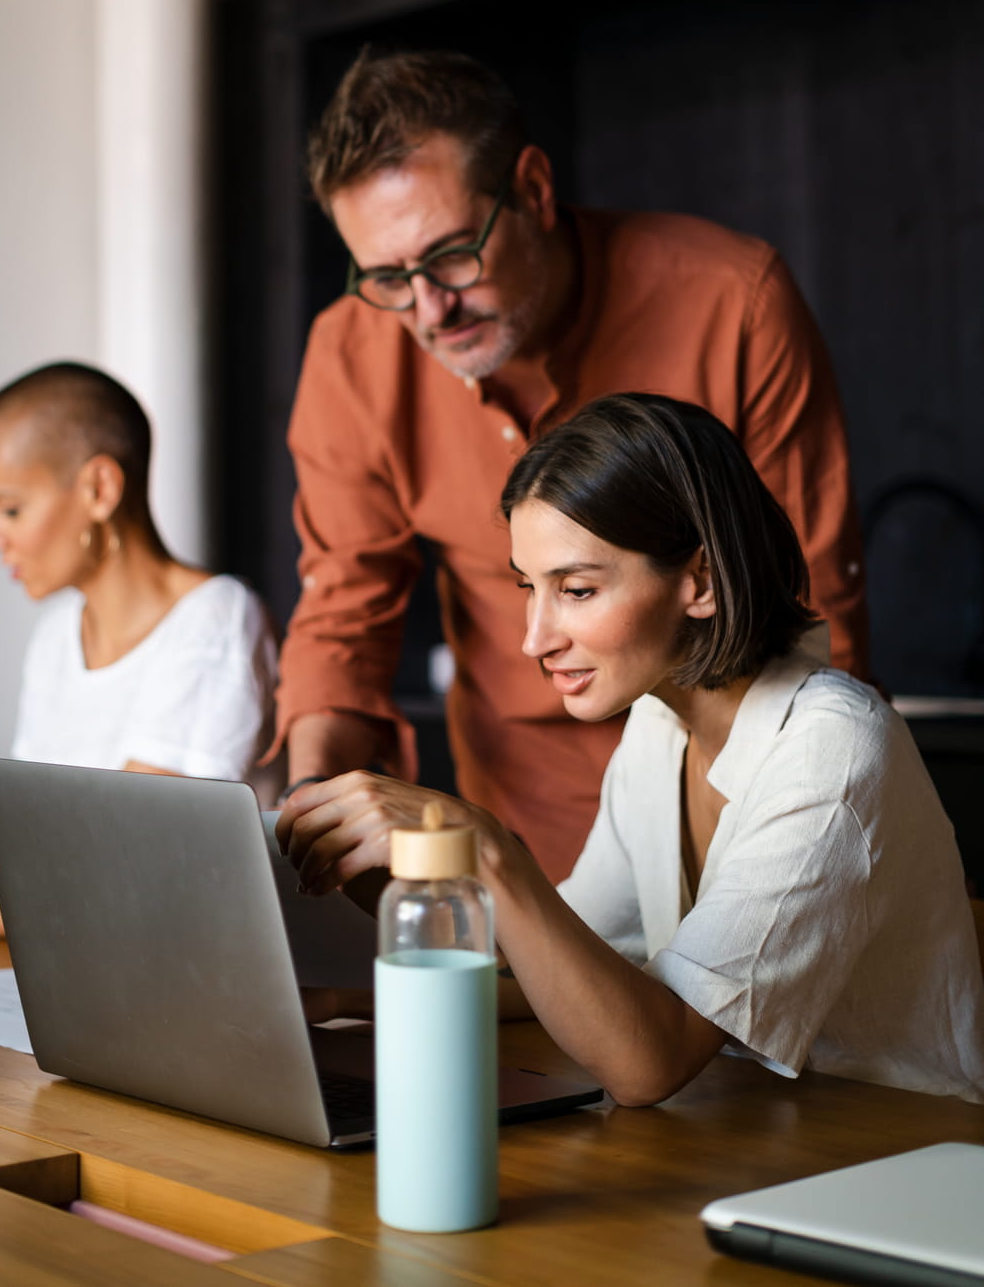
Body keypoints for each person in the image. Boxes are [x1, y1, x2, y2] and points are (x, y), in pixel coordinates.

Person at [278, 395, 984, 1107]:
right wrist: (352, 987)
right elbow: (572, 965)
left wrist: (488, 849)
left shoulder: (832, 751)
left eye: (577, 589)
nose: (535, 637)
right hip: (751, 1137)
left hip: (898, 1162)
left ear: (700, 581)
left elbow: (653, 1058)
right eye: (529, 588)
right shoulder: (658, 725)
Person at [275, 49, 869, 879]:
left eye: (451, 255)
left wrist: (769, 848)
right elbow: (342, 615)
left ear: (534, 189)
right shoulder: (352, 353)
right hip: (516, 834)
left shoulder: (734, 304)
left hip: (737, 816)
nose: (428, 309)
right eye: (387, 276)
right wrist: (307, 820)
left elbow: (810, 612)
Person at [0, 362, 276, 935]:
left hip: (183, 972)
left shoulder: (216, 619)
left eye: (9, 508)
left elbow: (115, 870)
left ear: (99, 489)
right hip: (83, 959)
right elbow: (34, 852)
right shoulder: (56, 634)